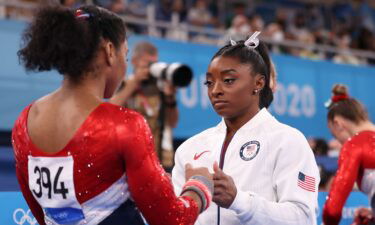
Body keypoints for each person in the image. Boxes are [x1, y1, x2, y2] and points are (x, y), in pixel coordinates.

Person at [13, 5, 213, 225]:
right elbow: (173, 219)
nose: (125, 66)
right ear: (109, 51)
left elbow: (43, 214)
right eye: (125, 55)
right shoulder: (124, 125)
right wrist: (199, 185)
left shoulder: (24, 120)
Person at [172, 32, 320, 225]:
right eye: (209, 82)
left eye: (228, 80)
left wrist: (237, 200)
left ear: (258, 83)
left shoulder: (288, 140)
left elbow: (303, 218)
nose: (215, 90)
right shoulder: (189, 149)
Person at [110, 41, 178, 169]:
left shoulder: (161, 87)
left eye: (154, 63)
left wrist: (171, 99)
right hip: (134, 157)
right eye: (148, 63)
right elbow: (112, 107)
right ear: (135, 61)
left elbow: (173, 123)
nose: (151, 68)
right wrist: (135, 81)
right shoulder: (126, 84)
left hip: (163, 159)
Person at [322, 84, 375, 225]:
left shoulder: (355, 145)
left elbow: (332, 209)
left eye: (335, 136)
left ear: (338, 124)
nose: (340, 143)